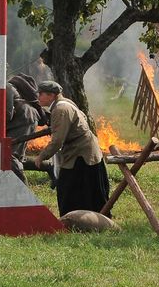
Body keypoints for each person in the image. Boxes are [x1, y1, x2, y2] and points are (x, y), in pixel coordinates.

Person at [33, 81, 109, 216]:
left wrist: (42, 156)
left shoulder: (61, 109)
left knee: (69, 188)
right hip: (80, 150)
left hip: (81, 153)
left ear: (51, 95)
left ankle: (75, 218)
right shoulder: (65, 103)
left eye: (41, 94)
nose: (38, 96)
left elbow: (57, 141)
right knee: (77, 187)